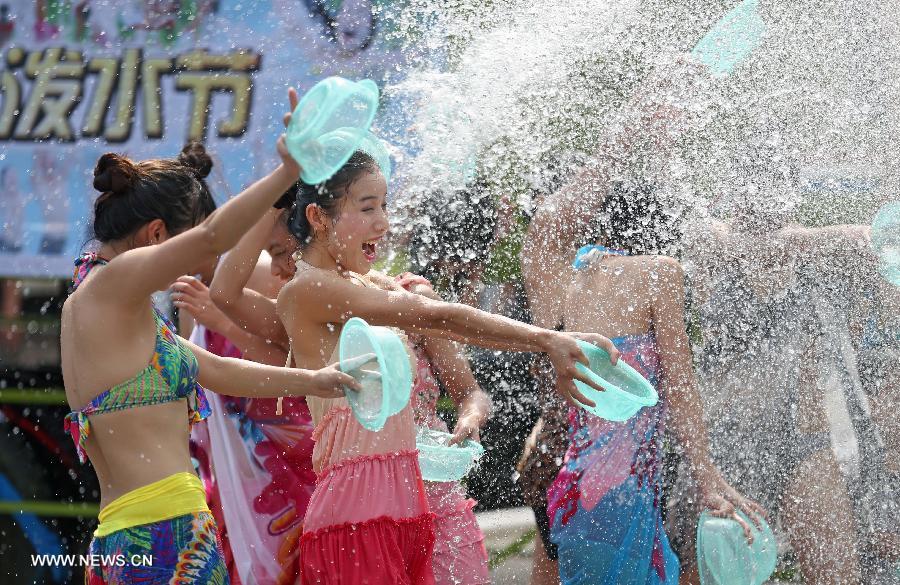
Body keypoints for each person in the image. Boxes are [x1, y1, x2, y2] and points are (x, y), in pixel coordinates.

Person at [274, 149, 619, 584]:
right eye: (367, 208)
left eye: (384, 205)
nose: (383, 222)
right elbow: (439, 316)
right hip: (355, 517)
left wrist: (547, 342)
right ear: (318, 218)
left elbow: (452, 323)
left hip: (412, 508)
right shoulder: (307, 290)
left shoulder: (368, 284)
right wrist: (545, 338)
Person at [60, 93, 364, 584]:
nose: (197, 261)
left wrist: (317, 379)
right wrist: (288, 171)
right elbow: (212, 240)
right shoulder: (115, 281)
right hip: (165, 534)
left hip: (128, 536)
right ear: (157, 236)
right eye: (184, 241)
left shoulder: (107, 305)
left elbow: (218, 370)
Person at [213, 184, 490, 584]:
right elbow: (225, 292)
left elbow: (471, 392)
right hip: (365, 516)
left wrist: (470, 418)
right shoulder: (302, 316)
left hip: (438, 505)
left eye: (278, 253)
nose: (274, 270)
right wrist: (276, 196)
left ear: (314, 234)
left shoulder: (405, 295)